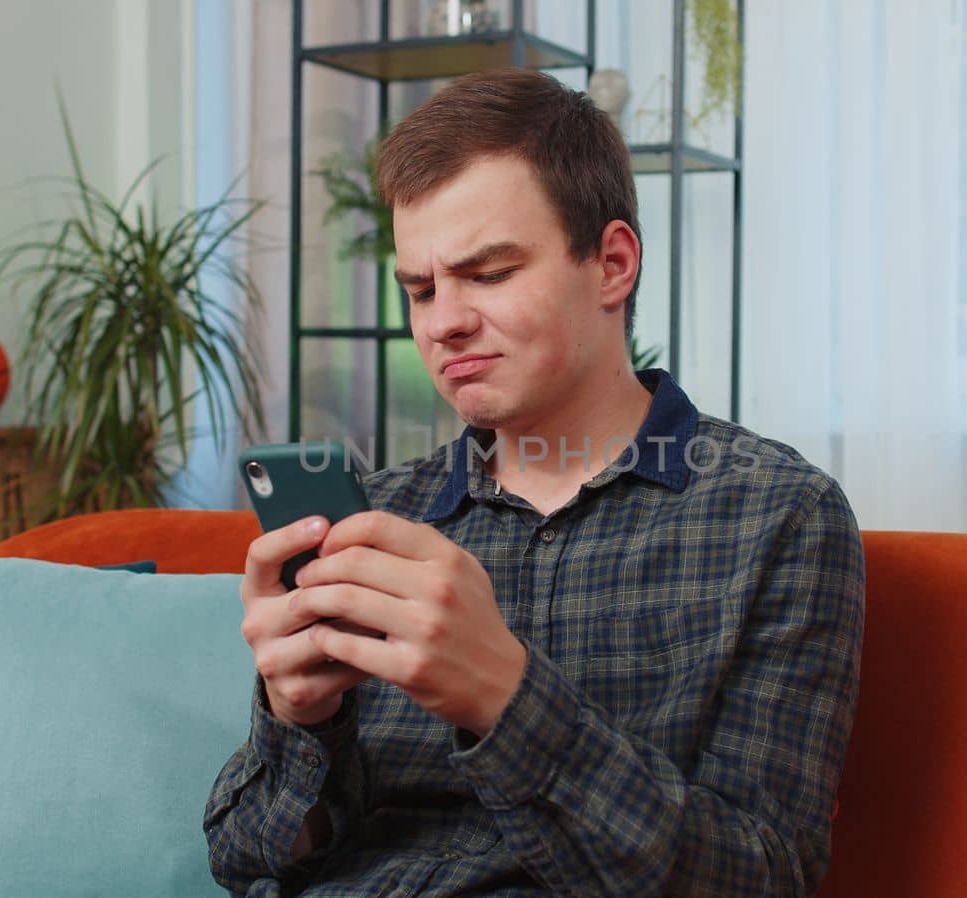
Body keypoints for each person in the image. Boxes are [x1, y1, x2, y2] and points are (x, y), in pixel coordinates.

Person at [205, 68, 864, 897]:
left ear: (612, 265)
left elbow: (761, 878)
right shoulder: (379, 516)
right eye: (421, 288)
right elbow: (242, 859)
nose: (443, 321)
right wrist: (300, 720)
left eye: (488, 274)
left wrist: (504, 695)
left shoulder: (778, 518)